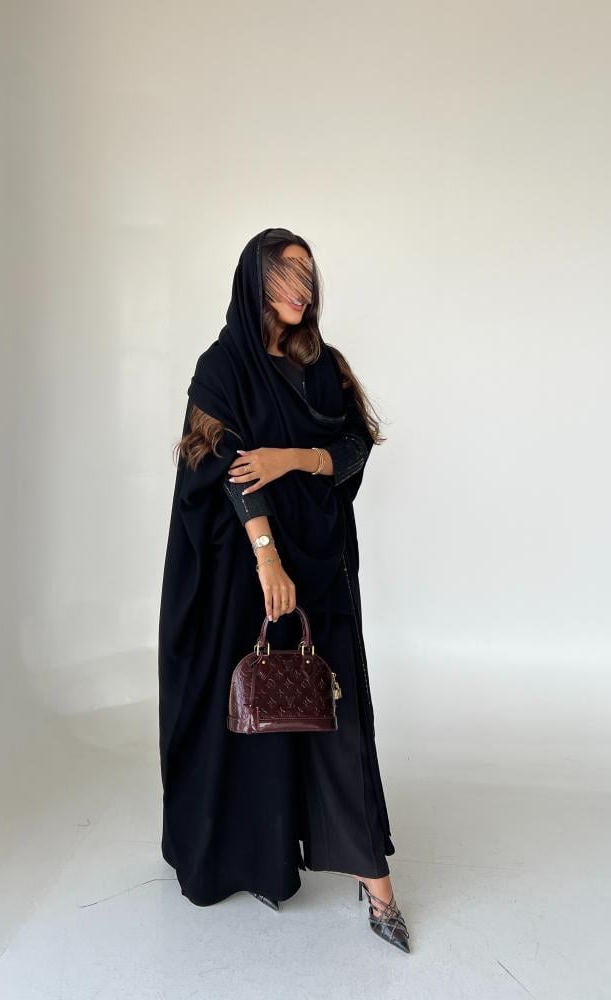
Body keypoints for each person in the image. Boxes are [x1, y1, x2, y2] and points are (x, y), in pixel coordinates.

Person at [158, 227, 410, 953]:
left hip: (323, 562)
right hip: (243, 573)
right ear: (254, 281)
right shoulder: (222, 367)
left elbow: (355, 446)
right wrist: (268, 561)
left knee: (335, 713)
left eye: (307, 273)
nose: (301, 287)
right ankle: (258, 857)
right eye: (284, 274)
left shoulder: (324, 365)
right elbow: (222, 465)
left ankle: (376, 881)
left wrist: (293, 457)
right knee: (257, 712)